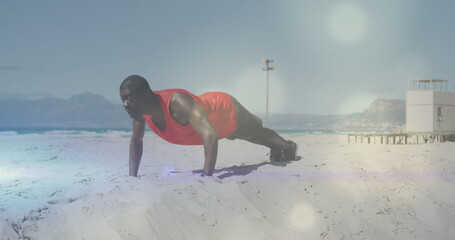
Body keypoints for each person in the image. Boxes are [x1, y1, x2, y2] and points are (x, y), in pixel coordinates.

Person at [119, 75, 298, 177]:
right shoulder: (140, 112)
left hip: (226, 111)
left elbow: (210, 133)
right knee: (254, 136)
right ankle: (280, 148)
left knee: (255, 134)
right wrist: (132, 177)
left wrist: (207, 175)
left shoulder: (177, 102)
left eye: (130, 99)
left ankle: (287, 147)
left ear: (146, 96)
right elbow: (136, 140)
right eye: (123, 100)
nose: (125, 104)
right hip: (211, 123)